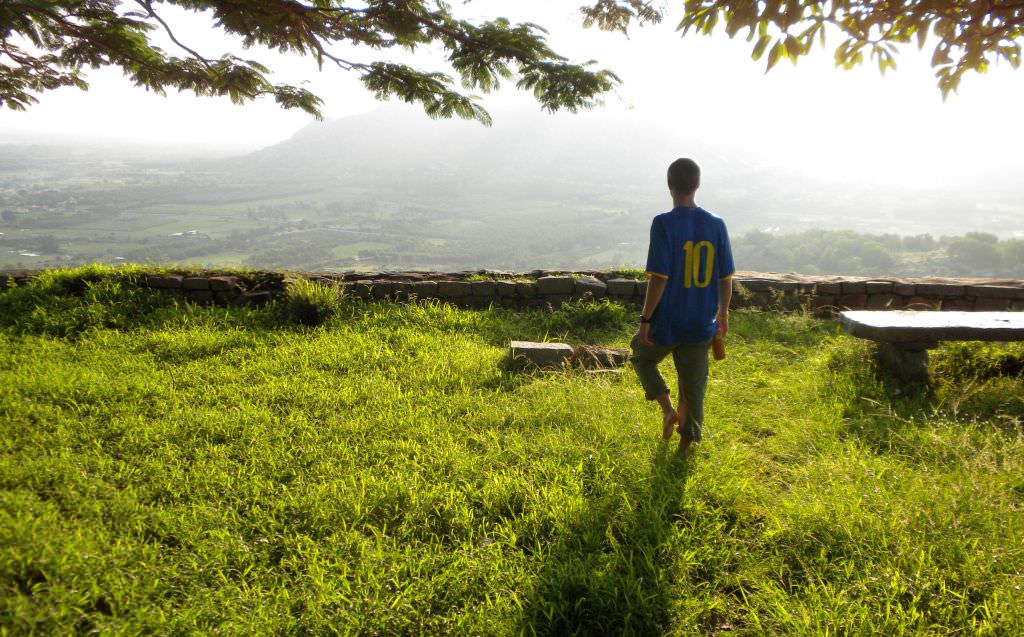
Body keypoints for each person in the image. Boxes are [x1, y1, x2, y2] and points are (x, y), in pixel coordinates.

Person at [630, 158, 734, 453]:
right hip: (701, 324)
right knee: (693, 388)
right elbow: (725, 278)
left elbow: (659, 279)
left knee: (641, 357)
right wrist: (723, 314)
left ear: (670, 185)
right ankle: (686, 445)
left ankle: (667, 409)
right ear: (697, 184)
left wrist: (646, 319)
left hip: (667, 322)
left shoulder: (663, 223)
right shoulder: (716, 224)